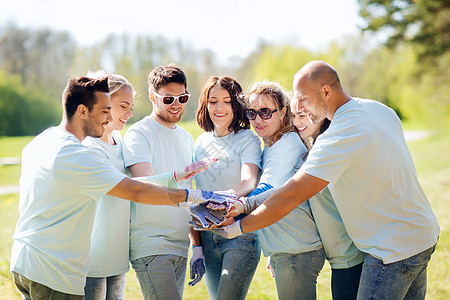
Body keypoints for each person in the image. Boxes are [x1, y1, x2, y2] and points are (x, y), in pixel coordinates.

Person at [214, 60, 440, 299]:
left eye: (303, 99)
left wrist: (237, 228)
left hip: (391, 251)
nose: (298, 106)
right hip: (423, 234)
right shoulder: (378, 109)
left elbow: (291, 195)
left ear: (326, 91)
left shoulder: (336, 138)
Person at [10, 75, 231, 300]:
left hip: (26, 260)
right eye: (105, 111)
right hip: (53, 270)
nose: (109, 118)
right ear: (83, 111)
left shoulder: (41, 141)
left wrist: (180, 177)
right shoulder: (79, 155)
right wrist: (195, 196)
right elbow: (136, 190)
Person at [122, 64, 199, 300]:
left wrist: (196, 245)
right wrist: (179, 175)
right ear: (152, 97)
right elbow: (145, 186)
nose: (176, 104)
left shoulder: (187, 138)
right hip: (151, 245)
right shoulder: (139, 134)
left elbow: (189, 194)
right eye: (168, 99)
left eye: (182, 97)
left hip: (179, 245)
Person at [244, 81, 325, 299]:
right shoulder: (270, 145)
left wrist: (230, 207)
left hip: (296, 250)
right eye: (252, 113)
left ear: (282, 112)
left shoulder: (287, 143)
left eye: (265, 112)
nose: (257, 120)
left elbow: (267, 190)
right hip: (287, 249)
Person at [193, 76, 261, 300]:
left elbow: (250, 181)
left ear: (236, 105)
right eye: (213, 101)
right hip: (208, 238)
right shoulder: (200, 143)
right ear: (206, 105)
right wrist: (196, 246)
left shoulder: (246, 139)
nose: (219, 108)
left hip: (240, 235)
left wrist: (221, 198)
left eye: (227, 101)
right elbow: (192, 197)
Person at [293, 112, 364, 300]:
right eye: (293, 116)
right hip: (340, 259)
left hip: (349, 258)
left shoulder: (329, 150)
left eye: (302, 115)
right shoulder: (315, 149)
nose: (296, 122)